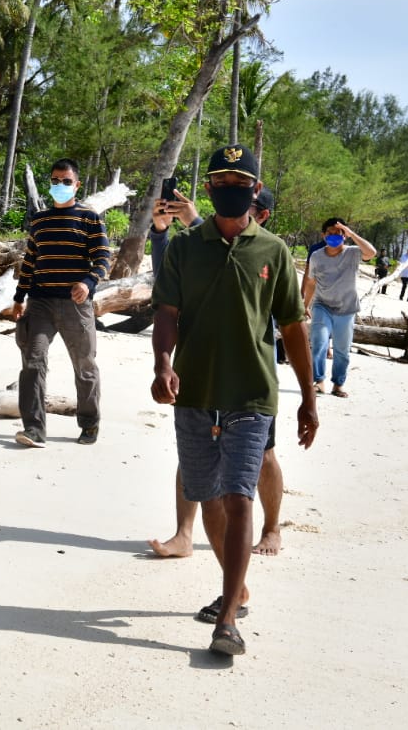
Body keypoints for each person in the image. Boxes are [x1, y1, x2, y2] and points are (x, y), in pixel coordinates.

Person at [150, 144, 319, 657]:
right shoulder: (183, 247)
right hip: (195, 391)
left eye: (239, 180)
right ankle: (236, 585)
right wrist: (163, 362)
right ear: (208, 188)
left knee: (239, 494)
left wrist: (308, 399)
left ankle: (227, 618)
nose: (230, 187)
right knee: (208, 498)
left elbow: (292, 327)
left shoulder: (273, 251)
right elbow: (167, 312)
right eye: (221, 179)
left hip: (252, 392)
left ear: (254, 189)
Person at [148, 186, 291, 559]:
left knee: (264, 455)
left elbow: (231, 262)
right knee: (195, 457)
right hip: (200, 370)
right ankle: (184, 532)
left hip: (249, 375)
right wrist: (162, 230)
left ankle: (272, 527)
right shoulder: (191, 242)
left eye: (251, 205)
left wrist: (192, 218)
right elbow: (170, 280)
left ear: (261, 214)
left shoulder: (268, 250)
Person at [11, 158, 110, 447]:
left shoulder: (89, 218)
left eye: (67, 181)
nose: (60, 185)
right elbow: (30, 261)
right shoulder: (40, 221)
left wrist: (88, 282)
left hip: (74, 305)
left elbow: (103, 257)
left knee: (84, 365)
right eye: (55, 180)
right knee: (32, 362)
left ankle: (90, 423)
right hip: (39, 303)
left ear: (77, 185)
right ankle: (34, 429)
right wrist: (19, 298)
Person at [302, 217, 377, 398]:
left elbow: (371, 252)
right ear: (323, 235)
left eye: (339, 233)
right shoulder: (317, 256)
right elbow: (311, 282)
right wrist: (305, 304)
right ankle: (318, 381)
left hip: (347, 308)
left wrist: (351, 233)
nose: (334, 236)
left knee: (342, 349)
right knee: (319, 342)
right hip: (322, 305)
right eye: (330, 233)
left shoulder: (353, 253)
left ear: (345, 236)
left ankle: (338, 384)